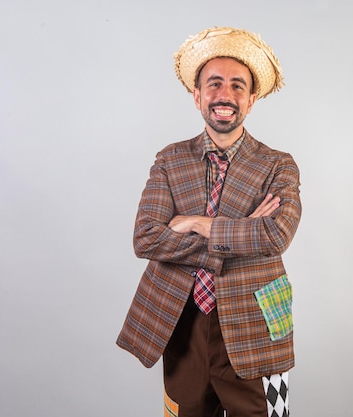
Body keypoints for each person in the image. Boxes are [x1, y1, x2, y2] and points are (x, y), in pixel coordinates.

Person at [117, 27, 302, 417]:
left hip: (256, 324)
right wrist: (239, 233)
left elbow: (276, 233)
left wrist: (199, 224)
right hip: (181, 323)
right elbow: (146, 238)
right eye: (214, 83)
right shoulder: (170, 160)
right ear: (197, 95)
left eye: (238, 86)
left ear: (251, 100)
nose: (225, 94)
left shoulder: (277, 164)